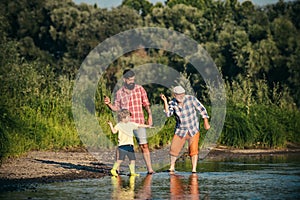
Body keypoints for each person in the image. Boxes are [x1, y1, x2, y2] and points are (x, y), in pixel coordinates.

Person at [104, 69, 155, 174]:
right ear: (124, 79)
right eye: (129, 80)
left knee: (144, 145)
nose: (132, 81)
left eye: (133, 79)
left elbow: (146, 104)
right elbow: (116, 108)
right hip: (124, 124)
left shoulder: (140, 89)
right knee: (121, 146)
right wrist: (108, 104)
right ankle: (116, 169)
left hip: (138, 121)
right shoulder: (119, 93)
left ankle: (150, 169)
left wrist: (149, 115)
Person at [160, 86, 210, 173]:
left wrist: (206, 121)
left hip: (193, 129)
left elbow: (202, 109)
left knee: (193, 150)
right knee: (174, 149)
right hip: (180, 130)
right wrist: (165, 101)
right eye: (178, 95)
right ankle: (172, 167)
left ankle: (194, 169)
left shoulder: (191, 99)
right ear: (174, 95)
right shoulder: (172, 103)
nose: (181, 96)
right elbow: (168, 114)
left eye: (182, 94)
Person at [107, 109, 152, 176]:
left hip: (130, 145)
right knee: (120, 159)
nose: (130, 118)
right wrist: (110, 125)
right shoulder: (119, 125)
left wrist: (148, 126)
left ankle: (132, 172)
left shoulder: (131, 124)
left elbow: (139, 125)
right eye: (129, 117)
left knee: (132, 159)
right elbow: (114, 131)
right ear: (124, 117)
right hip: (122, 145)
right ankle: (113, 170)